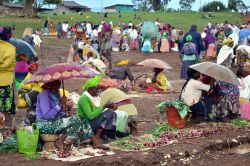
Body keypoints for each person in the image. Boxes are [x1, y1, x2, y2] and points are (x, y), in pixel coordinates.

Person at [36, 80, 109, 150]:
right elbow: (47, 116)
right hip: (45, 125)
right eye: (55, 85)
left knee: (81, 118)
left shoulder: (57, 93)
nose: (57, 87)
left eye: (58, 84)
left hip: (55, 122)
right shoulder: (44, 95)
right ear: (50, 85)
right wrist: (60, 104)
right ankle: (60, 141)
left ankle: (95, 142)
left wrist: (65, 112)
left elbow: (59, 113)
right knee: (75, 119)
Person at [77, 76, 116, 143]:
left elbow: (97, 112)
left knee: (111, 112)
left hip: (92, 123)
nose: (98, 91)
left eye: (99, 89)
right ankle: (97, 136)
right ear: (90, 89)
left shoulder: (95, 98)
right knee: (109, 113)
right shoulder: (84, 98)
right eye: (96, 89)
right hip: (85, 125)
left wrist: (108, 107)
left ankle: (102, 134)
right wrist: (103, 107)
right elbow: (90, 116)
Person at [0, 27, 16, 127]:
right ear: (9, 36)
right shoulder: (10, 49)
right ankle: (6, 128)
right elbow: (6, 65)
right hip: (6, 82)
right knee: (6, 107)